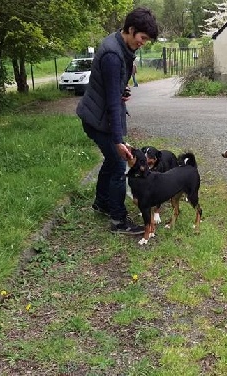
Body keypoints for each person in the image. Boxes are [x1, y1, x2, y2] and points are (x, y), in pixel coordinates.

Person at [76, 7, 159, 235]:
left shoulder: (121, 44)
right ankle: (118, 220)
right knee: (118, 166)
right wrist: (118, 140)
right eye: (142, 38)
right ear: (131, 30)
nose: (143, 43)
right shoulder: (113, 55)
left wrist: (122, 89)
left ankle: (102, 202)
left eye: (146, 40)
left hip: (97, 114)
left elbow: (110, 89)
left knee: (110, 161)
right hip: (99, 119)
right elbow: (112, 102)